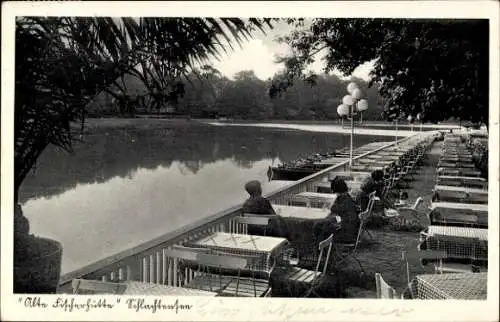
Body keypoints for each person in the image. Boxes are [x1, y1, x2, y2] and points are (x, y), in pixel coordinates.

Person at [314, 177, 361, 244]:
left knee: (321, 226)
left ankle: (320, 248)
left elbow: (332, 210)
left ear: (335, 190)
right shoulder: (347, 197)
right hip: (350, 230)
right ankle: (320, 246)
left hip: (347, 235)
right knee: (323, 224)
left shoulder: (344, 201)